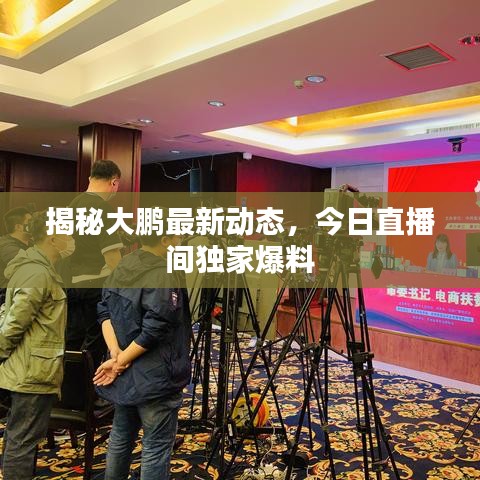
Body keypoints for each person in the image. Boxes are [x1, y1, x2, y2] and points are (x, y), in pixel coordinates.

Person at [93, 231, 191, 480]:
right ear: (165, 240)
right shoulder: (163, 273)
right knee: (156, 446)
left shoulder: (123, 264)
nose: (180, 241)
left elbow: (104, 311)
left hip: (126, 372)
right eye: (177, 237)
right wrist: (120, 360)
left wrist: (116, 354)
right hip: (154, 374)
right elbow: (156, 327)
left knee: (120, 436)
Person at [0, 212, 74, 480]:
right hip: (32, 370)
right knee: (23, 440)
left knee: (21, 437)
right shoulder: (36, 273)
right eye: (67, 233)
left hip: (32, 366)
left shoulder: (38, 268)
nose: (72, 239)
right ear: (52, 238)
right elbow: (14, 323)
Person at [66, 160, 123, 367]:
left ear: (90, 178)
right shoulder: (103, 209)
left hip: (71, 282)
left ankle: (69, 383)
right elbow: (112, 257)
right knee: (95, 341)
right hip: (96, 284)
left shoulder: (72, 204)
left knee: (72, 340)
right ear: (114, 182)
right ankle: (89, 385)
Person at [0, 207, 33, 304]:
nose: (34, 225)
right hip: (8, 299)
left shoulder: (31, 243)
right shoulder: (5, 245)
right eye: (30, 222)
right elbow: (26, 266)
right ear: (18, 227)